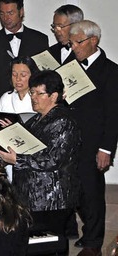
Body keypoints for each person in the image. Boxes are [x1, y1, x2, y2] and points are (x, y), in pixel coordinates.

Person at [0, 70, 81, 255]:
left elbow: (52, 159)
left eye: (38, 93)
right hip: (32, 197)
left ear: (54, 96)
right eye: (32, 92)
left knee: (50, 247)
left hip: (52, 199)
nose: (33, 97)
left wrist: (17, 159)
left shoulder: (63, 121)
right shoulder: (35, 119)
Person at [68, 20, 118, 255]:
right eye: (71, 43)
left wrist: (106, 149)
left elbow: (113, 114)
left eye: (78, 42)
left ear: (93, 41)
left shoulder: (111, 71)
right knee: (75, 191)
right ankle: (87, 232)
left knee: (92, 193)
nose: (73, 48)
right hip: (69, 141)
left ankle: (93, 243)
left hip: (94, 143)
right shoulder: (69, 64)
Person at [0, 0, 48, 110]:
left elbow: (44, 75)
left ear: (21, 12)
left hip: (32, 106)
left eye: (10, 13)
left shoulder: (40, 40)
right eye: (2, 13)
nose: (6, 18)